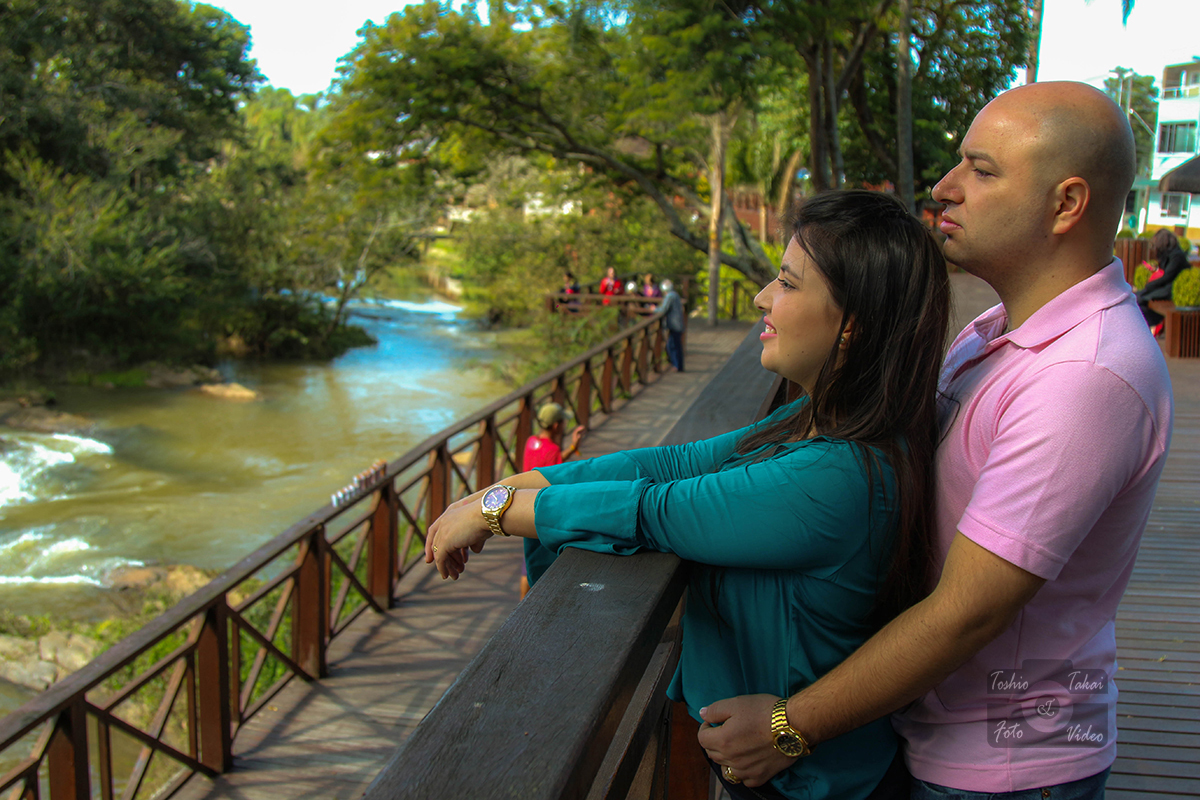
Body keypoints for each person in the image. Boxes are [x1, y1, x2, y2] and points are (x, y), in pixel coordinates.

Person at [698, 82, 1174, 800]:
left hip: (1004, 768)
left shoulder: (1083, 376)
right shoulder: (998, 334)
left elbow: (968, 611)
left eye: (982, 172)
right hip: (938, 735)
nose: (945, 189)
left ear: (1066, 204)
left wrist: (791, 725)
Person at [426, 190, 951, 798]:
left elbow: (655, 512)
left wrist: (500, 512)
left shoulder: (841, 474)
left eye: (786, 282)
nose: (762, 298)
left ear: (852, 322)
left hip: (815, 783)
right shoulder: (817, 418)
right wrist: (528, 483)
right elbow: (674, 460)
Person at [517, 402, 585, 599]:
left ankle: (522, 602)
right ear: (556, 426)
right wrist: (573, 446)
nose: (564, 425)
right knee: (544, 557)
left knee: (527, 561)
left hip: (524, 503)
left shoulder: (531, 442)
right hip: (544, 508)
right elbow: (557, 473)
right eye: (563, 422)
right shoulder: (552, 449)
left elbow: (548, 464)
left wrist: (572, 447)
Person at [1137, 229, 1190, 334]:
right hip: (1167, 286)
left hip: (1172, 289)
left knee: (1140, 299)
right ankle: (1146, 324)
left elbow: (1168, 276)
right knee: (1138, 297)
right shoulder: (1171, 254)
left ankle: (1150, 323)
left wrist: (1150, 285)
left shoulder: (1176, 256)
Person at [659, 279, 686, 371]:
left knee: (672, 345)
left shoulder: (670, 296)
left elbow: (664, 309)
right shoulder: (675, 295)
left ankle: (677, 365)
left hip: (675, 324)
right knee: (676, 345)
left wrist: (653, 309)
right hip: (677, 323)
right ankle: (678, 365)